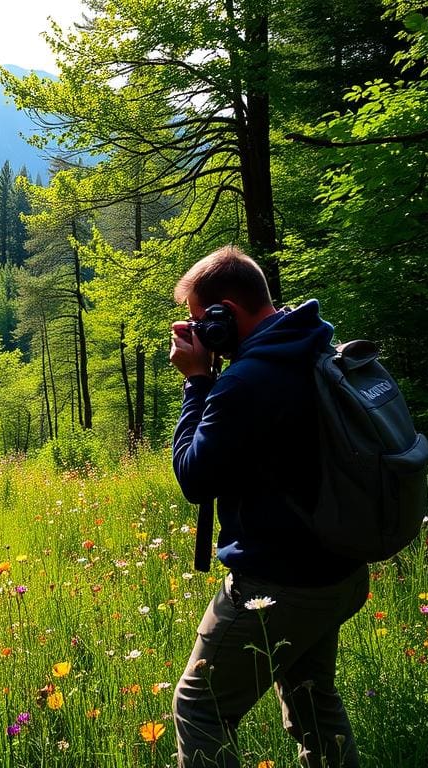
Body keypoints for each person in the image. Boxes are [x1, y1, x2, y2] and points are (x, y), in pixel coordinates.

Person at [168, 245, 369, 768]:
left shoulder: (250, 380)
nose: (200, 334)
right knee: (310, 699)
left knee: (199, 707)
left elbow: (195, 476)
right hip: (339, 571)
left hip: (278, 581)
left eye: (201, 321)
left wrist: (197, 382)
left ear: (224, 314)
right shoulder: (312, 348)